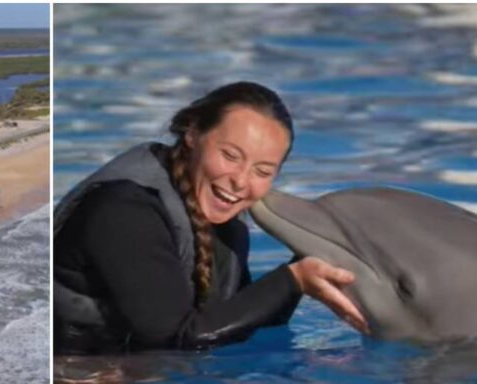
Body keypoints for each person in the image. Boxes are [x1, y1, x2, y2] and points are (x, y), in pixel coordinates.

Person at [54, 81, 368, 355]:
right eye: (230, 156)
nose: (241, 181)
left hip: (142, 382)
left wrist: (303, 273)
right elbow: (176, 338)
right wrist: (291, 280)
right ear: (192, 134)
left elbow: (235, 327)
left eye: (263, 171)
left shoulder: (225, 227)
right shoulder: (124, 210)